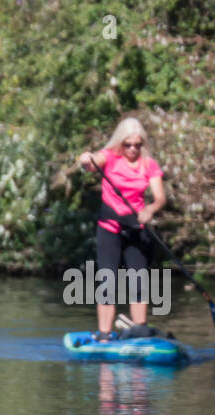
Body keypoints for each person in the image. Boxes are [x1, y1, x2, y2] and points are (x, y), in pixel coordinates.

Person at [77, 117, 166, 341]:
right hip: (109, 228)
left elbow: (160, 198)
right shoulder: (109, 157)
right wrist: (84, 158)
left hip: (136, 228)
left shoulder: (150, 165)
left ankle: (139, 330)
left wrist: (151, 208)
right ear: (120, 143)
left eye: (138, 144)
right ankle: (105, 334)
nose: (133, 149)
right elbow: (90, 163)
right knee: (108, 280)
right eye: (128, 145)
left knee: (138, 279)